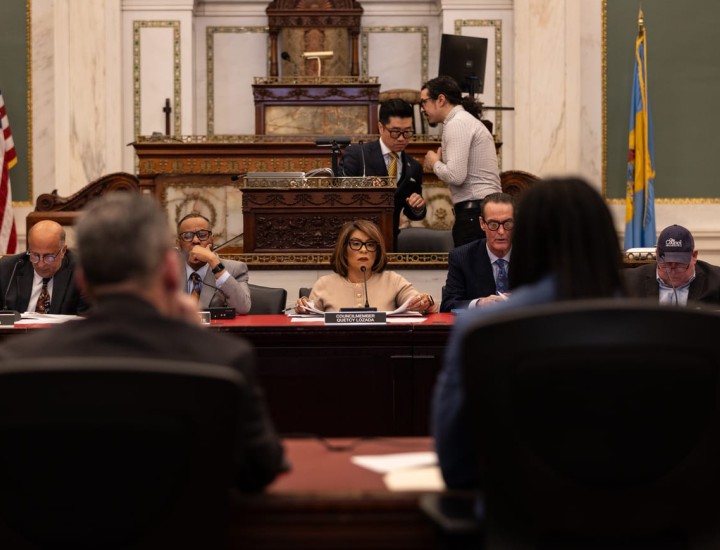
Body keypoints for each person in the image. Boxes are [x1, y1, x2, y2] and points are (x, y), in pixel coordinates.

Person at [0, 193, 286, 491]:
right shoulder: (225, 360)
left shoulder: (17, 361)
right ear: (170, 273)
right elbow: (261, 469)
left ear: (82, 278)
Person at [433, 177, 626, 490]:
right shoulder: (665, 331)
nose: (502, 232)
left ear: (530, 236)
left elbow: (455, 465)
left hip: (517, 523)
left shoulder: (480, 332)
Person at [420, 75, 501, 248]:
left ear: (440, 99)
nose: (422, 109)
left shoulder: (457, 123)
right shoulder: (462, 121)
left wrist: (434, 162)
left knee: (472, 273)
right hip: (482, 209)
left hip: (474, 212)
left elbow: (456, 176)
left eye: (424, 102)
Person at [294, 219, 438, 314]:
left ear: (377, 251)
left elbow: (416, 301)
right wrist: (303, 307)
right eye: (356, 244)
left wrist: (425, 301)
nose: (364, 250)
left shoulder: (393, 281)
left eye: (370, 245)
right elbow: (309, 321)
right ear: (344, 251)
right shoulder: (324, 284)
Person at [341, 98, 427, 251]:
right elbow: (340, 195)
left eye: (407, 132)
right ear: (381, 127)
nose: (401, 138)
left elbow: (413, 214)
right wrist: (365, 186)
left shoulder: (414, 167)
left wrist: (418, 206)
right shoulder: (358, 154)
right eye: (395, 132)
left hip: (389, 242)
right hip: (356, 242)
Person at [440, 192, 514, 312]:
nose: (501, 231)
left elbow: (549, 300)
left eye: (508, 224)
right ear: (482, 224)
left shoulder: (533, 256)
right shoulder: (462, 257)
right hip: (480, 327)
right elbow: (448, 305)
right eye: (493, 224)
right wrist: (479, 303)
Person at [0, 220, 88, 314]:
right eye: (35, 255)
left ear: (63, 251)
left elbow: (88, 320)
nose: (41, 264)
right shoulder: (8, 269)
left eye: (49, 257)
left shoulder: (82, 271)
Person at [623, 224, 720, 306]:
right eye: (666, 264)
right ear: (657, 255)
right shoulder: (628, 281)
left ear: (694, 256)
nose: (672, 271)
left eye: (680, 264)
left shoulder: (716, 281)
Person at [176, 212, 251, 314]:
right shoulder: (166, 270)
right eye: (187, 236)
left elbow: (243, 308)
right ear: (178, 243)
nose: (196, 240)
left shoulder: (235, 269)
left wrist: (213, 262)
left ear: (212, 239)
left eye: (202, 235)